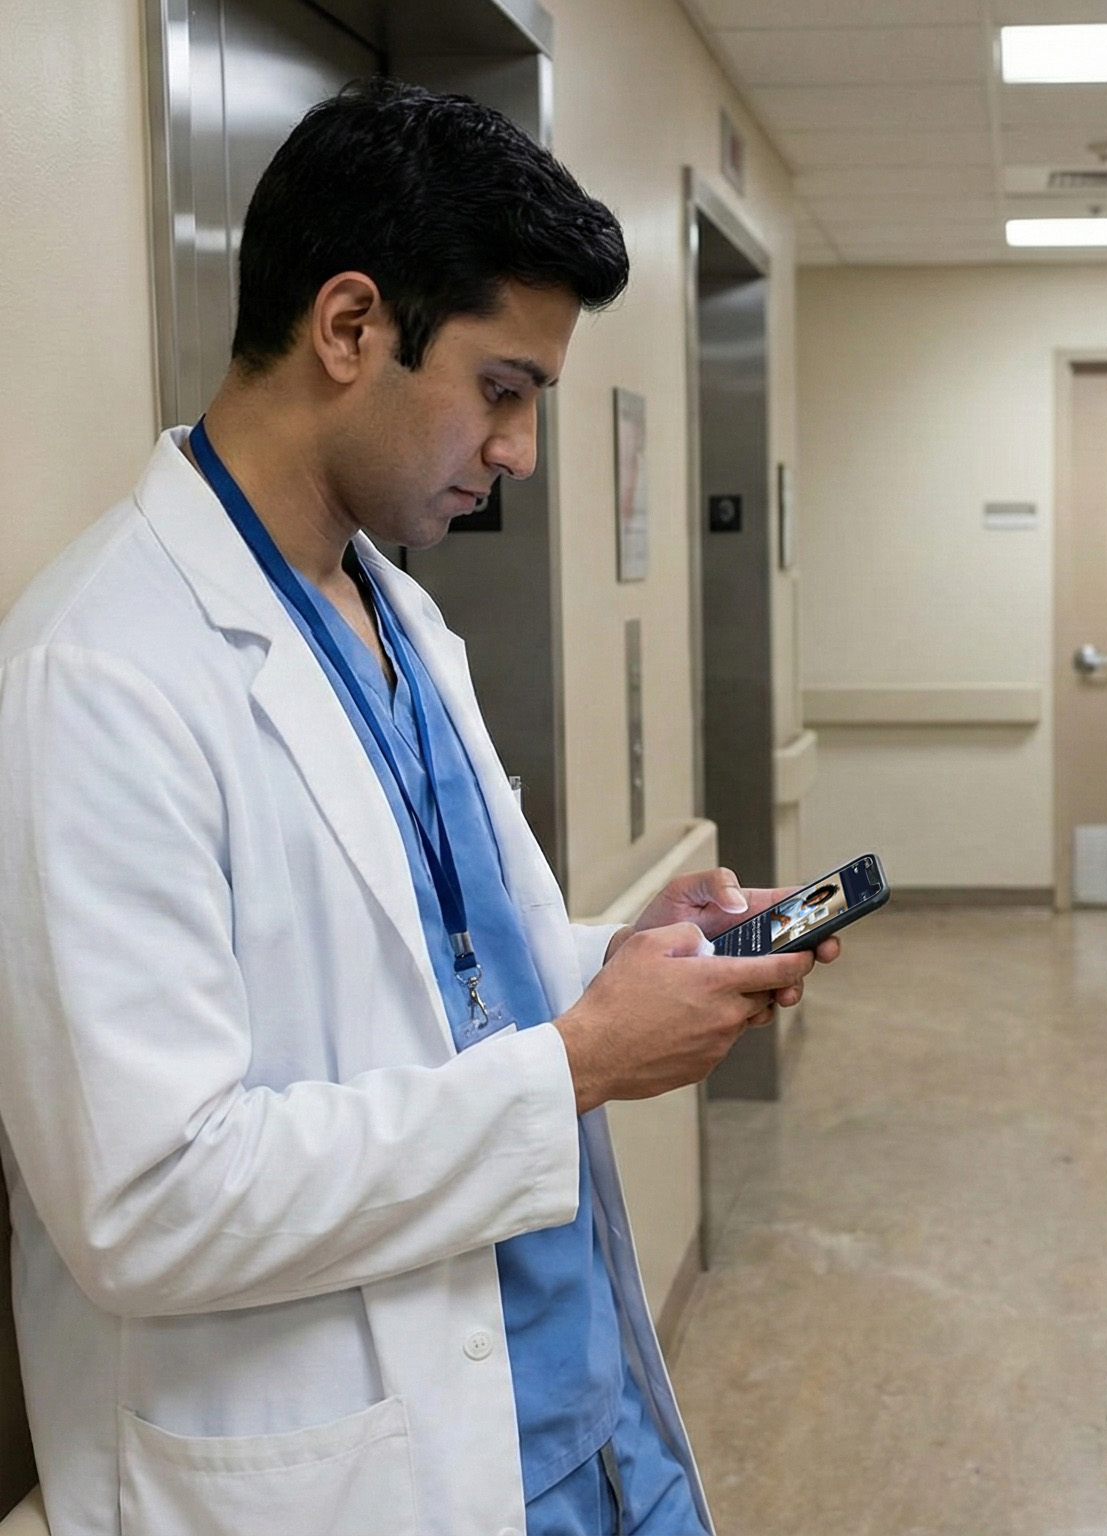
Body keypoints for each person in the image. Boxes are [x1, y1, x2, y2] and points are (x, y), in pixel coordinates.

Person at [0, 79, 837, 1536]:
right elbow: (146, 1202)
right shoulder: (101, 671)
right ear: (347, 328)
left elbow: (456, 984)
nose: (517, 450)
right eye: (502, 389)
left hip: (562, 1414)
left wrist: (629, 961)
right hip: (342, 1468)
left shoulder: (394, 612)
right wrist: (577, 1066)